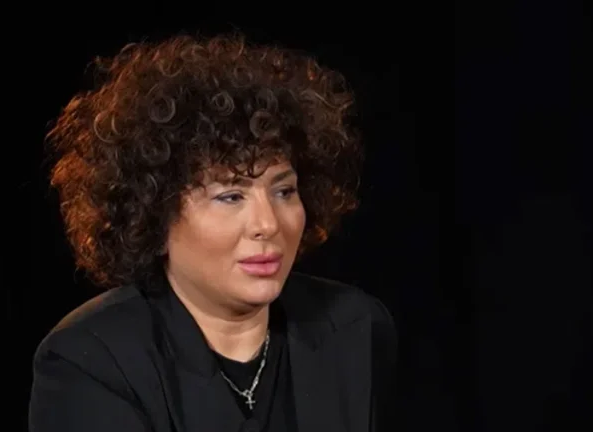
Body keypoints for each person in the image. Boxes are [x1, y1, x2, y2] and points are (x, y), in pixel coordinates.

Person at [28, 32, 398, 432]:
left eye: (284, 191)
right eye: (231, 196)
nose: (268, 224)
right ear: (154, 214)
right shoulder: (91, 361)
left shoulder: (356, 328)